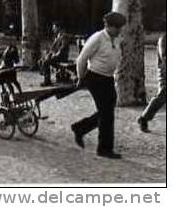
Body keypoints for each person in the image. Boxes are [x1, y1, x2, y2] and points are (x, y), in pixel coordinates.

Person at [70, 11, 126, 159]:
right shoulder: (97, 38)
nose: (120, 30)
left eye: (120, 27)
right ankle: (104, 149)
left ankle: (80, 128)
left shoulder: (117, 38)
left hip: (108, 78)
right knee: (107, 114)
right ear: (108, 26)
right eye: (117, 27)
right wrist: (81, 78)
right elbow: (81, 59)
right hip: (94, 77)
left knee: (106, 111)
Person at [137, 33, 166, 132]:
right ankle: (144, 118)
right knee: (163, 95)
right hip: (166, 71)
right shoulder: (165, 38)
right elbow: (165, 57)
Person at [39, 21, 70, 86]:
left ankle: (47, 81)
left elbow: (63, 49)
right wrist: (49, 54)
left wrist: (53, 56)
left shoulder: (64, 36)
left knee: (45, 62)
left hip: (62, 56)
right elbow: (53, 49)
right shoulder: (57, 36)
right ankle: (45, 73)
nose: (53, 29)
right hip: (57, 56)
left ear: (59, 28)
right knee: (41, 61)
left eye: (54, 27)